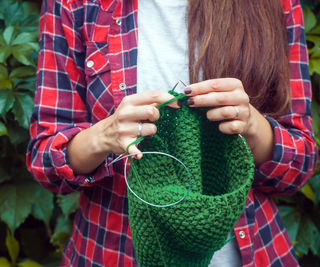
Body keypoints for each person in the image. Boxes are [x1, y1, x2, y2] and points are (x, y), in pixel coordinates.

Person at [26, 0, 318, 266]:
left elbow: (300, 161)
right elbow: (45, 159)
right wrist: (103, 137)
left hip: (250, 252)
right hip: (112, 250)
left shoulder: (276, 4)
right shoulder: (76, 5)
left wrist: (253, 126)